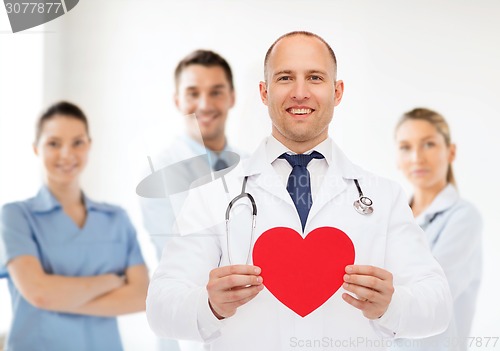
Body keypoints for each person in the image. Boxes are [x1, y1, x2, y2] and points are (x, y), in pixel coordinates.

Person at [146, 31, 452, 351]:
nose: (300, 92)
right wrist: (208, 306)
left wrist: (393, 306)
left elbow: (439, 305)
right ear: (264, 92)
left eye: (315, 78)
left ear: (338, 92)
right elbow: (159, 308)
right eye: (285, 78)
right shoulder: (211, 197)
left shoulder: (384, 197)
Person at [0, 102, 149, 351]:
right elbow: (39, 293)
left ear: (89, 145)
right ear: (36, 148)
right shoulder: (16, 216)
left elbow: (142, 295)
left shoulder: (116, 219)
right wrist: (110, 281)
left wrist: (56, 298)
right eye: (54, 143)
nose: (67, 154)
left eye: (77, 142)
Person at [139, 50, 241, 351]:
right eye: (193, 93)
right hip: (186, 331)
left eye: (216, 92)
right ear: (177, 100)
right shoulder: (158, 172)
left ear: (232, 97)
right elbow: (181, 255)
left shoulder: (254, 165)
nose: (205, 104)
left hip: (248, 329)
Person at [393, 108, 482, 351]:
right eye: (405, 147)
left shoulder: (463, 218)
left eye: (428, 144)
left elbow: (433, 298)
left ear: (450, 152)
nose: (416, 158)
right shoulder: (392, 216)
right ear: (397, 159)